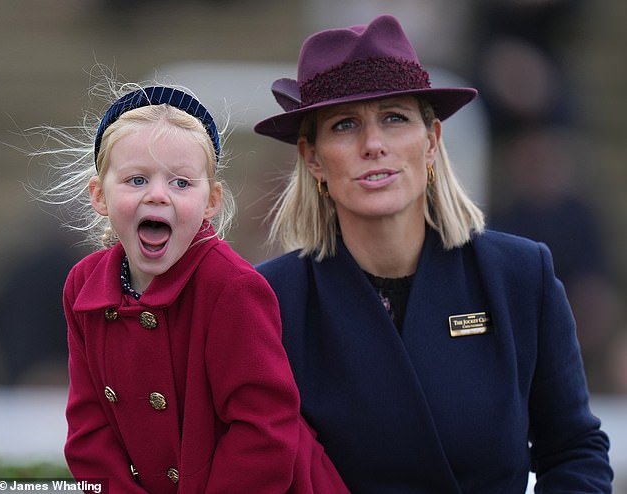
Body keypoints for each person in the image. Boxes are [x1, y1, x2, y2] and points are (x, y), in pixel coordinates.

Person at [253, 14, 613, 493]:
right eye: (344, 125)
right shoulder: (269, 302)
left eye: (395, 118)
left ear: (432, 142)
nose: (373, 144)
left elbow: (574, 451)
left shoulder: (521, 276)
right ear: (313, 158)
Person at [30, 81, 349, 493]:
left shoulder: (232, 287)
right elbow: (89, 430)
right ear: (99, 196)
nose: (158, 195)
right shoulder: (83, 285)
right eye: (136, 180)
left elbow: (263, 431)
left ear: (211, 200)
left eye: (181, 183)